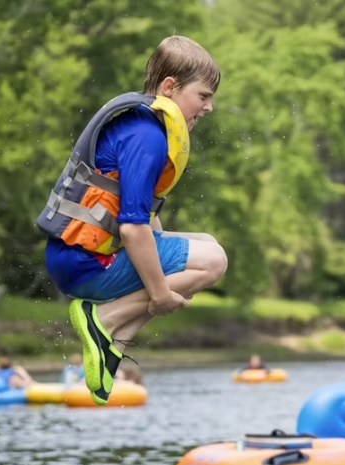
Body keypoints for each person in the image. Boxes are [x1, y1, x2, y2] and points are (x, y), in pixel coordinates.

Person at [36, 36, 227, 406]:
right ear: (170, 87)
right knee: (214, 261)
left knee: (207, 243)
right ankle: (104, 321)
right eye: (203, 96)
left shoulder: (142, 125)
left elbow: (148, 222)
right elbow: (132, 228)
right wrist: (160, 295)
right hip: (86, 265)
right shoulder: (148, 137)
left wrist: (174, 284)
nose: (209, 107)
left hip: (74, 258)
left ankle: (115, 342)